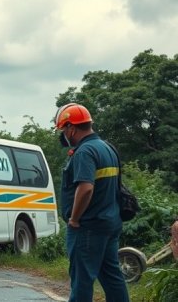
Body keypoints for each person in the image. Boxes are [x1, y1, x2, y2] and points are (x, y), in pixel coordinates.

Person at [55, 103, 129, 302]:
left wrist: (74, 219)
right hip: (109, 223)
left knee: (82, 281)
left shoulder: (85, 151)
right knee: (113, 278)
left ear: (71, 128)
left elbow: (86, 188)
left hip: (88, 227)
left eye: (63, 130)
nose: (63, 135)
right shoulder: (107, 148)